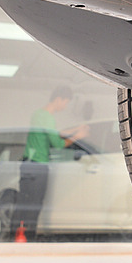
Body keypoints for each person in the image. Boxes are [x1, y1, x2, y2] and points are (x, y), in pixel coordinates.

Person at [14, 85, 87, 241]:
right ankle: (29, 238)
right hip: (39, 166)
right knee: (35, 204)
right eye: (66, 102)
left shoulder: (38, 114)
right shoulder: (48, 117)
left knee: (24, 202)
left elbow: (54, 132)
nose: (65, 107)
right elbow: (58, 143)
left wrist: (75, 129)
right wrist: (78, 136)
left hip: (26, 164)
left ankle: (17, 235)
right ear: (59, 99)